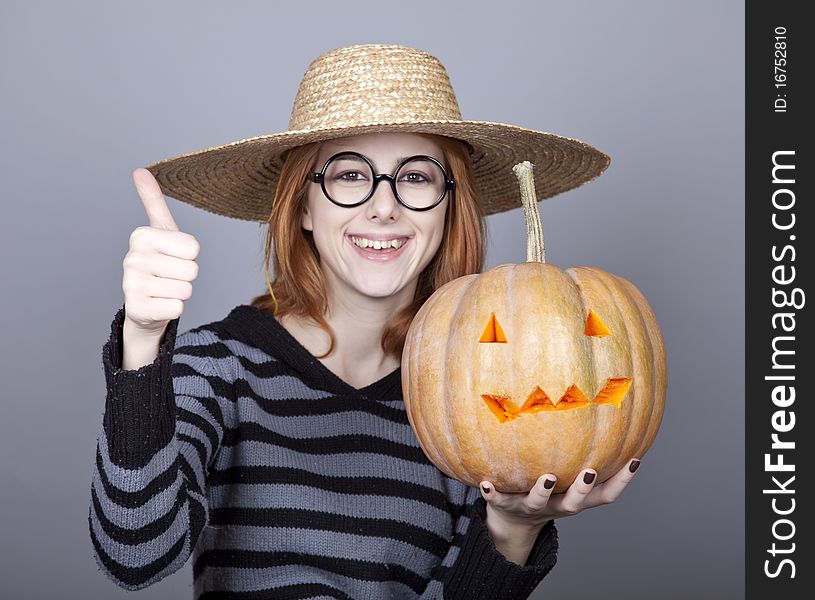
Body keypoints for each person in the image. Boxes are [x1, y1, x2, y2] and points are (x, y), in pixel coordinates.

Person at [89, 44, 641, 599]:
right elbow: (136, 556)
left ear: (451, 209)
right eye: (350, 175)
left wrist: (513, 529)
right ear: (303, 206)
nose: (384, 207)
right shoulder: (218, 368)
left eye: (418, 178)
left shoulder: (473, 397)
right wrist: (142, 342)